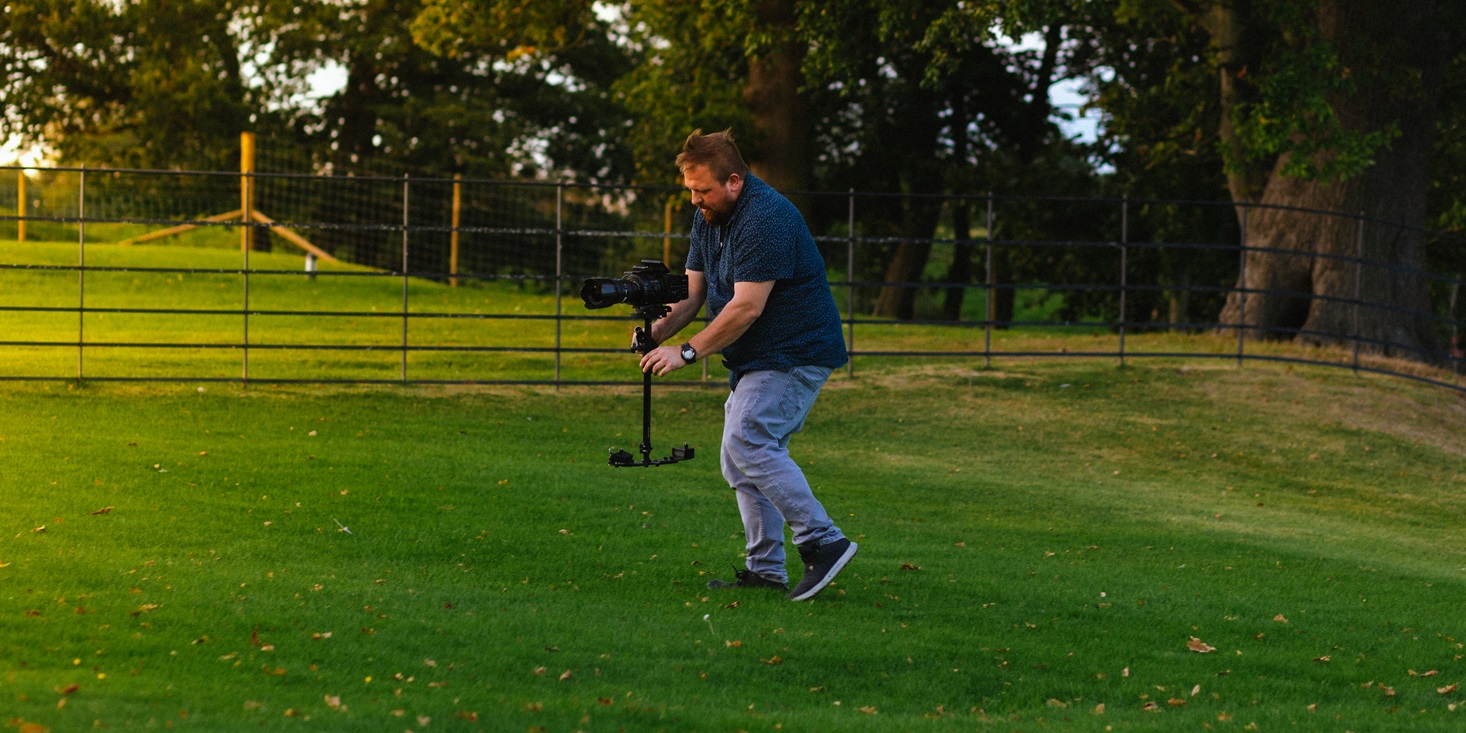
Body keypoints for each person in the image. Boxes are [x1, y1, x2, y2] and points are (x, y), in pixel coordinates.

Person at [638, 129, 857, 602]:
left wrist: (686, 352)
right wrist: (656, 332)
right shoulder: (709, 217)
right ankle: (765, 571)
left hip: (795, 352)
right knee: (739, 459)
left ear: (734, 181)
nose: (695, 200)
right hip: (756, 356)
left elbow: (746, 307)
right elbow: (693, 294)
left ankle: (823, 541)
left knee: (748, 439)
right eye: (691, 190)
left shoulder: (766, 218)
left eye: (703, 190)